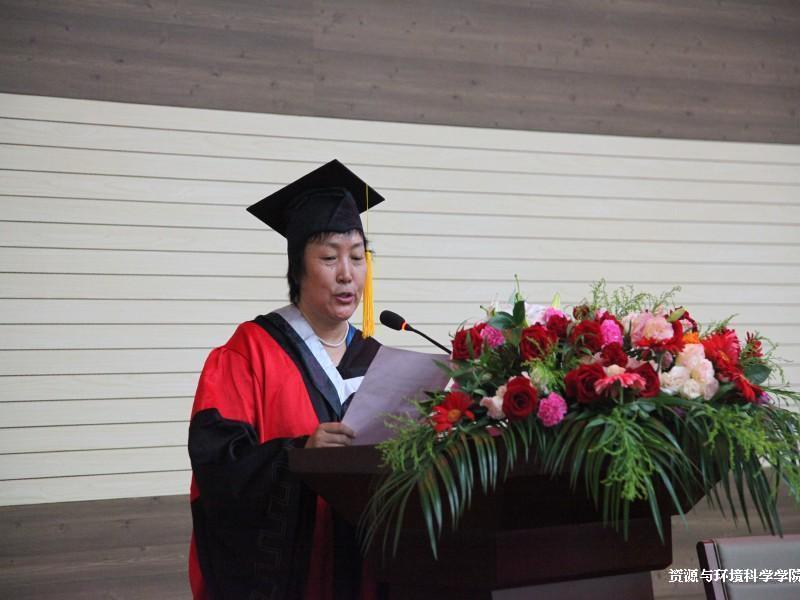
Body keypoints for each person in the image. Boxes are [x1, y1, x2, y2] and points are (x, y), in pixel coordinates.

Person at [187, 160, 385, 600]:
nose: (347, 273)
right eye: (329, 257)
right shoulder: (247, 354)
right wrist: (298, 456)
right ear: (297, 269)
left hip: (363, 572)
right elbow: (218, 467)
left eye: (357, 257)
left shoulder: (376, 360)